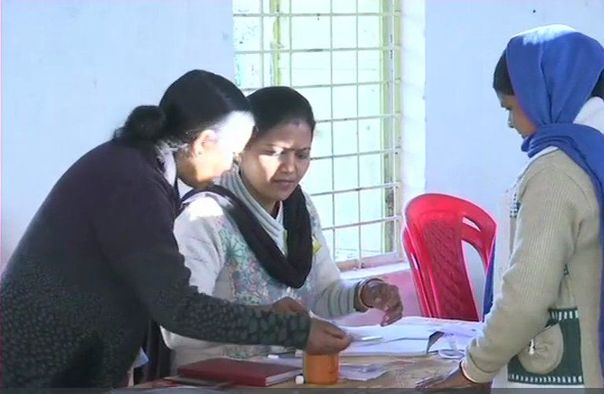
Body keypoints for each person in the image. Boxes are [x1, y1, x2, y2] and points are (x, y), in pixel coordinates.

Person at [0, 70, 351, 388]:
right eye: (232, 154)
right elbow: (179, 310)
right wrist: (295, 331)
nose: (231, 166)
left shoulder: (136, 168)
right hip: (38, 371)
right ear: (203, 144)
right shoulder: (132, 184)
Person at [418, 25, 604, 390]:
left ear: (538, 92)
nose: (511, 122)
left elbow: (525, 299)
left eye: (510, 106)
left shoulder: (557, 169)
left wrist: (473, 370)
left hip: (573, 374)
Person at [161, 86, 403, 370]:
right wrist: (270, 321)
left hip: (285, 376)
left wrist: (365, 293)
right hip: (216, 381)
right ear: (241, 150)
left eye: (302, 155)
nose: (290, 168)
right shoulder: (206, 218)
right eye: (274, 153)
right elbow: (177, 330)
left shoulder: (299, 209)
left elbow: (322, 295)